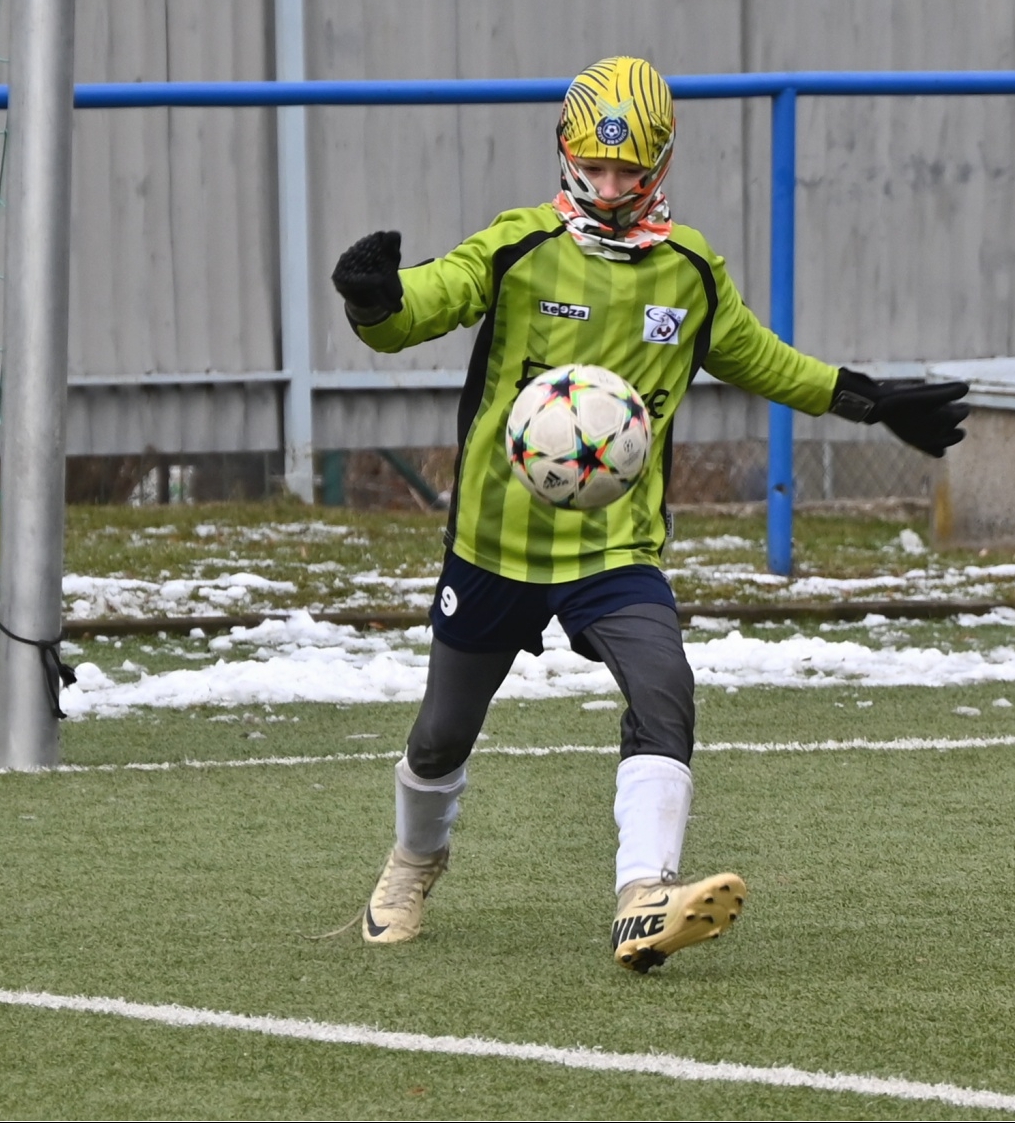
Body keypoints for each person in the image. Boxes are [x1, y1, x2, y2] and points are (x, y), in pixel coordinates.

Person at [329, 55, 968, 972]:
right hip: (493, 546)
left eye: (628, 171)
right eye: (593, 167)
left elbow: (759, 357)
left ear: (662, 164)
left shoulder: (688, 271)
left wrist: (867, 400)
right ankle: (413, 862)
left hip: (614, 550)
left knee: (664, 688)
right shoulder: (519, 247)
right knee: (440, 736)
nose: (609, 186)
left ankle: (643, 897)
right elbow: (427, 303)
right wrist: (377, 302)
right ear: (565, 154)